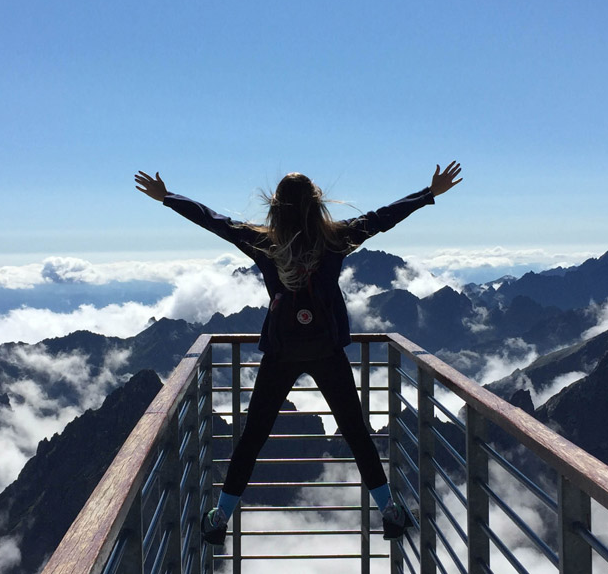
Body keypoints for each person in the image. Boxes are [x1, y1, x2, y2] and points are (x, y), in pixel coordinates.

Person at [134, 163, 463, 545]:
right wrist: (428, 193)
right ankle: (389, 510)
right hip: (326, 351)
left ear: (276, 207)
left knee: (253, 436)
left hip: (281, 352)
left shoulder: (263, 242)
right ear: (316, 203)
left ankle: (220, 516)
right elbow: (382, 218)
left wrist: (168, 197)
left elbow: (214, 221)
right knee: (356, 432)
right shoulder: (335, 239)